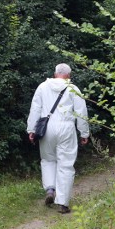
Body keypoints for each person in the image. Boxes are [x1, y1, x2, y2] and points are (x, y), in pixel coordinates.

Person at [27, 63, 89, 214]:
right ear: (69, 75)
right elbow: (81, 111)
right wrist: (84, 132)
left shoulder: (42, 87)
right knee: (65, 164)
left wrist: (31, 129)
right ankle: (63, 203)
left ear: (54, 74)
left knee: (48, 160)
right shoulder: (73, 88)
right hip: (66, 127)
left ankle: (50, 189)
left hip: (47, 128)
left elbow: (35, 109)